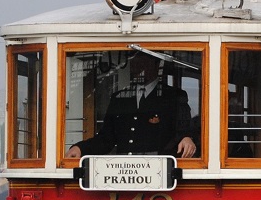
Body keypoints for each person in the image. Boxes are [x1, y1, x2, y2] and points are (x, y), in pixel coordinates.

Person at [67, 54, 196, 159]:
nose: (138, 66)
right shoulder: (119, 97)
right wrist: (80, 148)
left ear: (156, 65)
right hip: (123, 173)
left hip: (159, 174)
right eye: (135, 62)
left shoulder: (173, 96)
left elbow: (184, 130)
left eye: (143, 62)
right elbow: (106, 140)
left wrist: (187, 138)